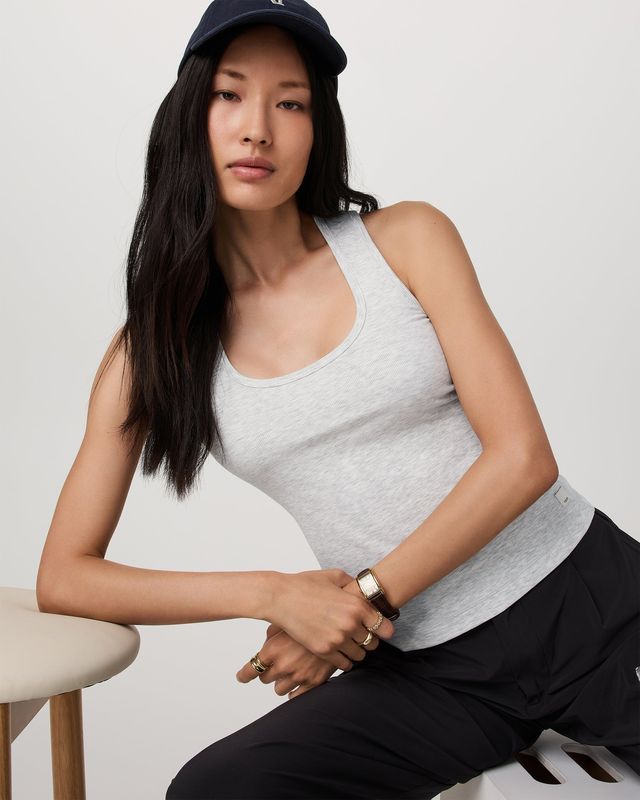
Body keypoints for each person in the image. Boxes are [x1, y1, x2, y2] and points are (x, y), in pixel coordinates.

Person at [35, 1, 639, 798]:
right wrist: (273, 595)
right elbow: (66, 576)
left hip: (589, 607)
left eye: (290, 103)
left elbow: (523, 459)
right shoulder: (152, 351)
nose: (258, 129)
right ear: (187, 116)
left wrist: (360, 600)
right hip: (431, 674)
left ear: (318, 129)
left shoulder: (407, 240)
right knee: (215, 790)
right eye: (229, 94)